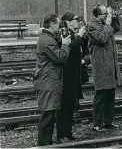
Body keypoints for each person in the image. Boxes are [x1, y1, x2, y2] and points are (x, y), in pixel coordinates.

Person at [33, 14, 71, 146]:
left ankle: (47, 142)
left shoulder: (46, 38)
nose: (60, 25)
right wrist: (65, 45)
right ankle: (44, 144)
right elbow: (60, 57)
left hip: (48, 80)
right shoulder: (47, 41)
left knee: (49, 114)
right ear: (52, 24)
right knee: (48, 115)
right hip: (48, 81)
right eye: (58, 23)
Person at [87, 4, 121, 132]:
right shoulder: (91, 26)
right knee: (100, 96)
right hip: (101, 66)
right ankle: (96, 124)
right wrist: (107, 23)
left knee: (110, 95)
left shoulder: (104, 23)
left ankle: (107, 122)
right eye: (104, 14)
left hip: (110, 65)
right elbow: (102, 38)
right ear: (97, 15)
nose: (106, 16)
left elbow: (116, 29)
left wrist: (114, 17)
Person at [56, 12, 87, 142]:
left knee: (70, 105)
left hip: (73, 73)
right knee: (64, 105)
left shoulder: (71, 32)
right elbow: (69, 46)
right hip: (66, 74)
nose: (77, 21)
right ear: (68, 21)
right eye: (75, 19)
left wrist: (82, 36)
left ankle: (67, 132)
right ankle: (61, 134)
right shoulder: (64, 33)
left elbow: (79, 46)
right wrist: (79, 36)